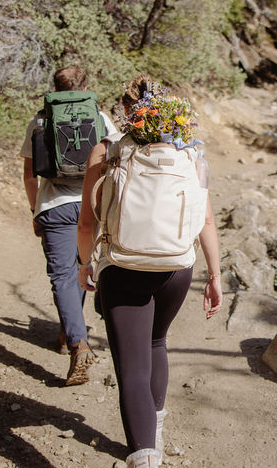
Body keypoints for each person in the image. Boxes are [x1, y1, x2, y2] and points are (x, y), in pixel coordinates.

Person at [77, 75, 223, 468]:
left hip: (122, 265)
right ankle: (153, 434)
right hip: (177, 268)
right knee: (157, 343)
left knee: (131, 368)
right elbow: (205, 220)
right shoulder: (193, 156)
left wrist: (84, 264)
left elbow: (87, 224)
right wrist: (215, 275)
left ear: (126, 112)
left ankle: (145, 457)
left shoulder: (105, 151)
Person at [21, 65, 118, 386]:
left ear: (54, 87)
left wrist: (36, 210)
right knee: (84, 266)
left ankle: (76, 341)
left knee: (64, 275)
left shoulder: (39, 121)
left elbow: (29, 174)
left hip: (55, 208)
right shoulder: (102, 120)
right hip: (94, 206)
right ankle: (72, 333)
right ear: (86, 86)